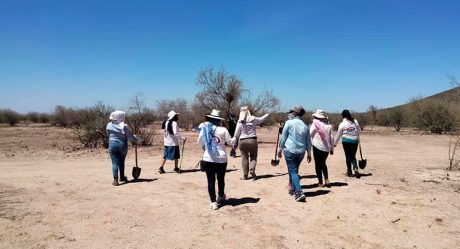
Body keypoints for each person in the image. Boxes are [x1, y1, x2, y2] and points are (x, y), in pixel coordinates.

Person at [197, 109, 234, 210]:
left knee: (210, 180)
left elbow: (199, 141)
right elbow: (230, 142)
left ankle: (213, 202)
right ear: (218, 120)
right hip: (221, 158)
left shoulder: (204, 129)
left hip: (208, 158)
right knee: (221, 178)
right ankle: (221, 196)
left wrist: (206, 146)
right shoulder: (223, 130)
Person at [277, 105, 312, 202]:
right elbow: (308, 140)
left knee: (293, 171)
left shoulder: (289, 123)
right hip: (301, 152)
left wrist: (280, 149)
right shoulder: (305, 125)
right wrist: (309, 153)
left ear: (295, 113)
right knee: (294, 170)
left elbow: (283, 138)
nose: (290, 113)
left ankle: (299, 192)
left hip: (290, 150)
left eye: (291, 111)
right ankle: (293, 188)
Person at [232, 106, 269, 180]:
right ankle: (252, 169)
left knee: (244, 158)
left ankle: (245, 175)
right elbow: (261, 119)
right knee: (253, 156)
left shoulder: (239, 121)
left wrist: (234, 144)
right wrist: (266, 115)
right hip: (252, 140)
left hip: (242, 141)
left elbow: (236, 134)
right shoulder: (253, 119)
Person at [106, 110, 139, 186]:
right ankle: (122, 177)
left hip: (112, 144)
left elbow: (108, 134)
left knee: (114, 162)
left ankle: (115, 180)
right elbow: (130, 137)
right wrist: (136, 139)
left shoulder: (109, 125)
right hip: (122, 145)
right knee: (121, 161)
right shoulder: (124, 126)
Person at [334, 109, 361, 178]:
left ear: (343, 116)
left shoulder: (342, 124)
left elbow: (338, 134)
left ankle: (349, 172)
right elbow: (359, 131)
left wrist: (335, 143)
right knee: (353, 156)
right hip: (355, 141)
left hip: (346, 141)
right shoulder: (355, 121)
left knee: (348, 156)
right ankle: (356, 169)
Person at [310, 109, 334, 188]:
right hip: (326, 148)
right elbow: (331, 138)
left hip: (317, 146)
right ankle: (327, 179)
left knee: (318, 165)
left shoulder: (315, 124)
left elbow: (310, 134)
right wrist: (331, 149)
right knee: (323, 163)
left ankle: (320, 182)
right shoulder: (329, 126)